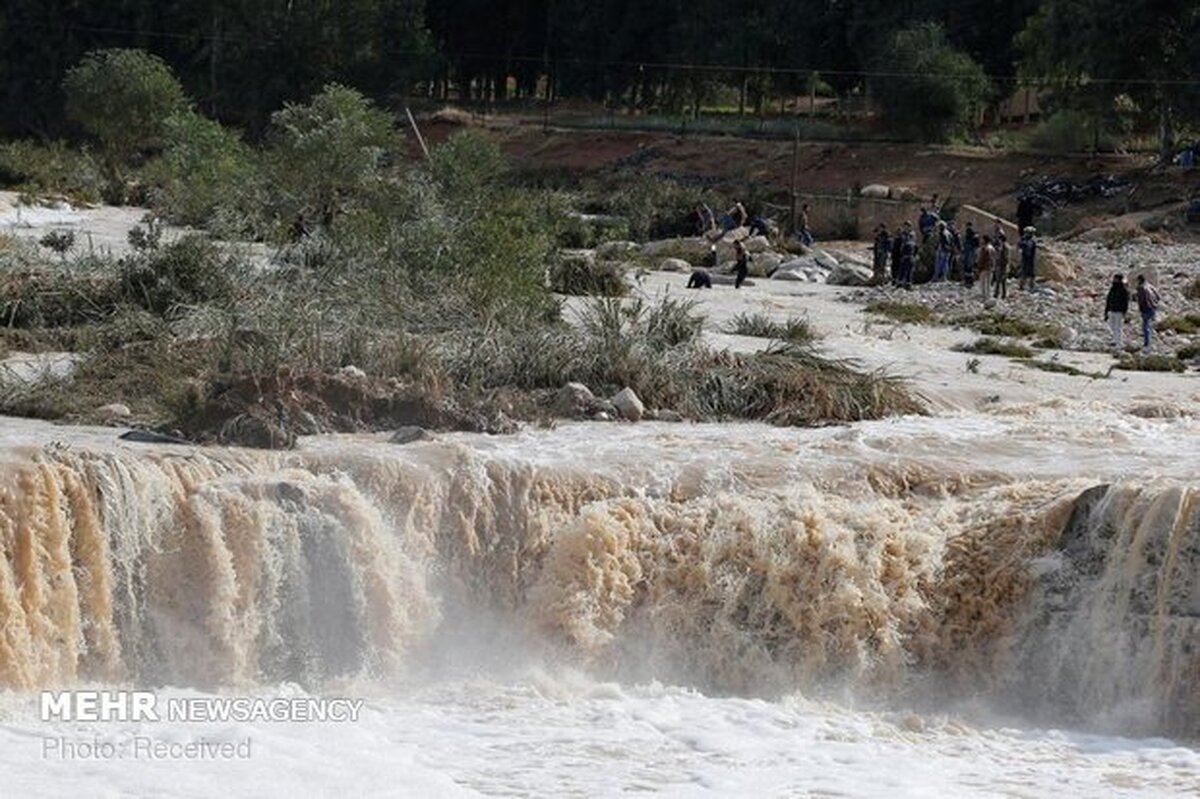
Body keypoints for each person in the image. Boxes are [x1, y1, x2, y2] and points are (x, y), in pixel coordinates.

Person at [1103, 273, 1129, 350]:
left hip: (1119, 311)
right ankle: (1114, 339)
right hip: (1111, 310)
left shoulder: (1123, 290)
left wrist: (1124, 312)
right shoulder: (1113, 288)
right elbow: (1108, 300)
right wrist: (1106, 311)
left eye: (1115, 279)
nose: (1114, 280)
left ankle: (1119, 342)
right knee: (1112, 325)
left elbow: (1126, 302)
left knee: (1118, 326)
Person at [1135, 273, 1160, 351]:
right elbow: (1158, 297)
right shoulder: (1150, 286)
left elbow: (1141, 300)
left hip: (1146, 308)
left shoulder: (1141, 288)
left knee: (1145, 326)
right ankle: (1150, 342)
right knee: (1149, 325)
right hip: (1153, 308)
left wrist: (1141, 308)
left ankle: (1147, 343)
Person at [1018, 227, 1038, 291]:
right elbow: (1019, 244)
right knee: (1024, 273)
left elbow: (1028, 247)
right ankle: (1022, 286)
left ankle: (1031, 286)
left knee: (1030, 274)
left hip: (1030, 259)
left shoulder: (1032, 240)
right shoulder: (1025, 240)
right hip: (1026, 259)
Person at [961, 221, 980, 288]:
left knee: (969, 267)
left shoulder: (972, 236)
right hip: (969, 253)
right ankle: (968, 281)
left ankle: (969, 282)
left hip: (970, 253)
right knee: (968, 267)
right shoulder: (972, 236)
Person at [993, 231, 1010, 300]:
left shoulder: (1005, 247)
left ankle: (998, 294)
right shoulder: (1002, 246)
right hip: (1001, 265)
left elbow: (1005, 257)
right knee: (1002, 281)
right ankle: (1002, 294)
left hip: (1002, 265)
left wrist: (1002, 264)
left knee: (1000, 280)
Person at [977, 235, 995, 301]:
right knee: (989, 283)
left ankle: (984, 296)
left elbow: (982, 259)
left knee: (983, 282)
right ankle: (988, 295)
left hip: (984, 267)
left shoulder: (984, 248)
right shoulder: (992, 248)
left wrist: (979, 267)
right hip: (990, 267)